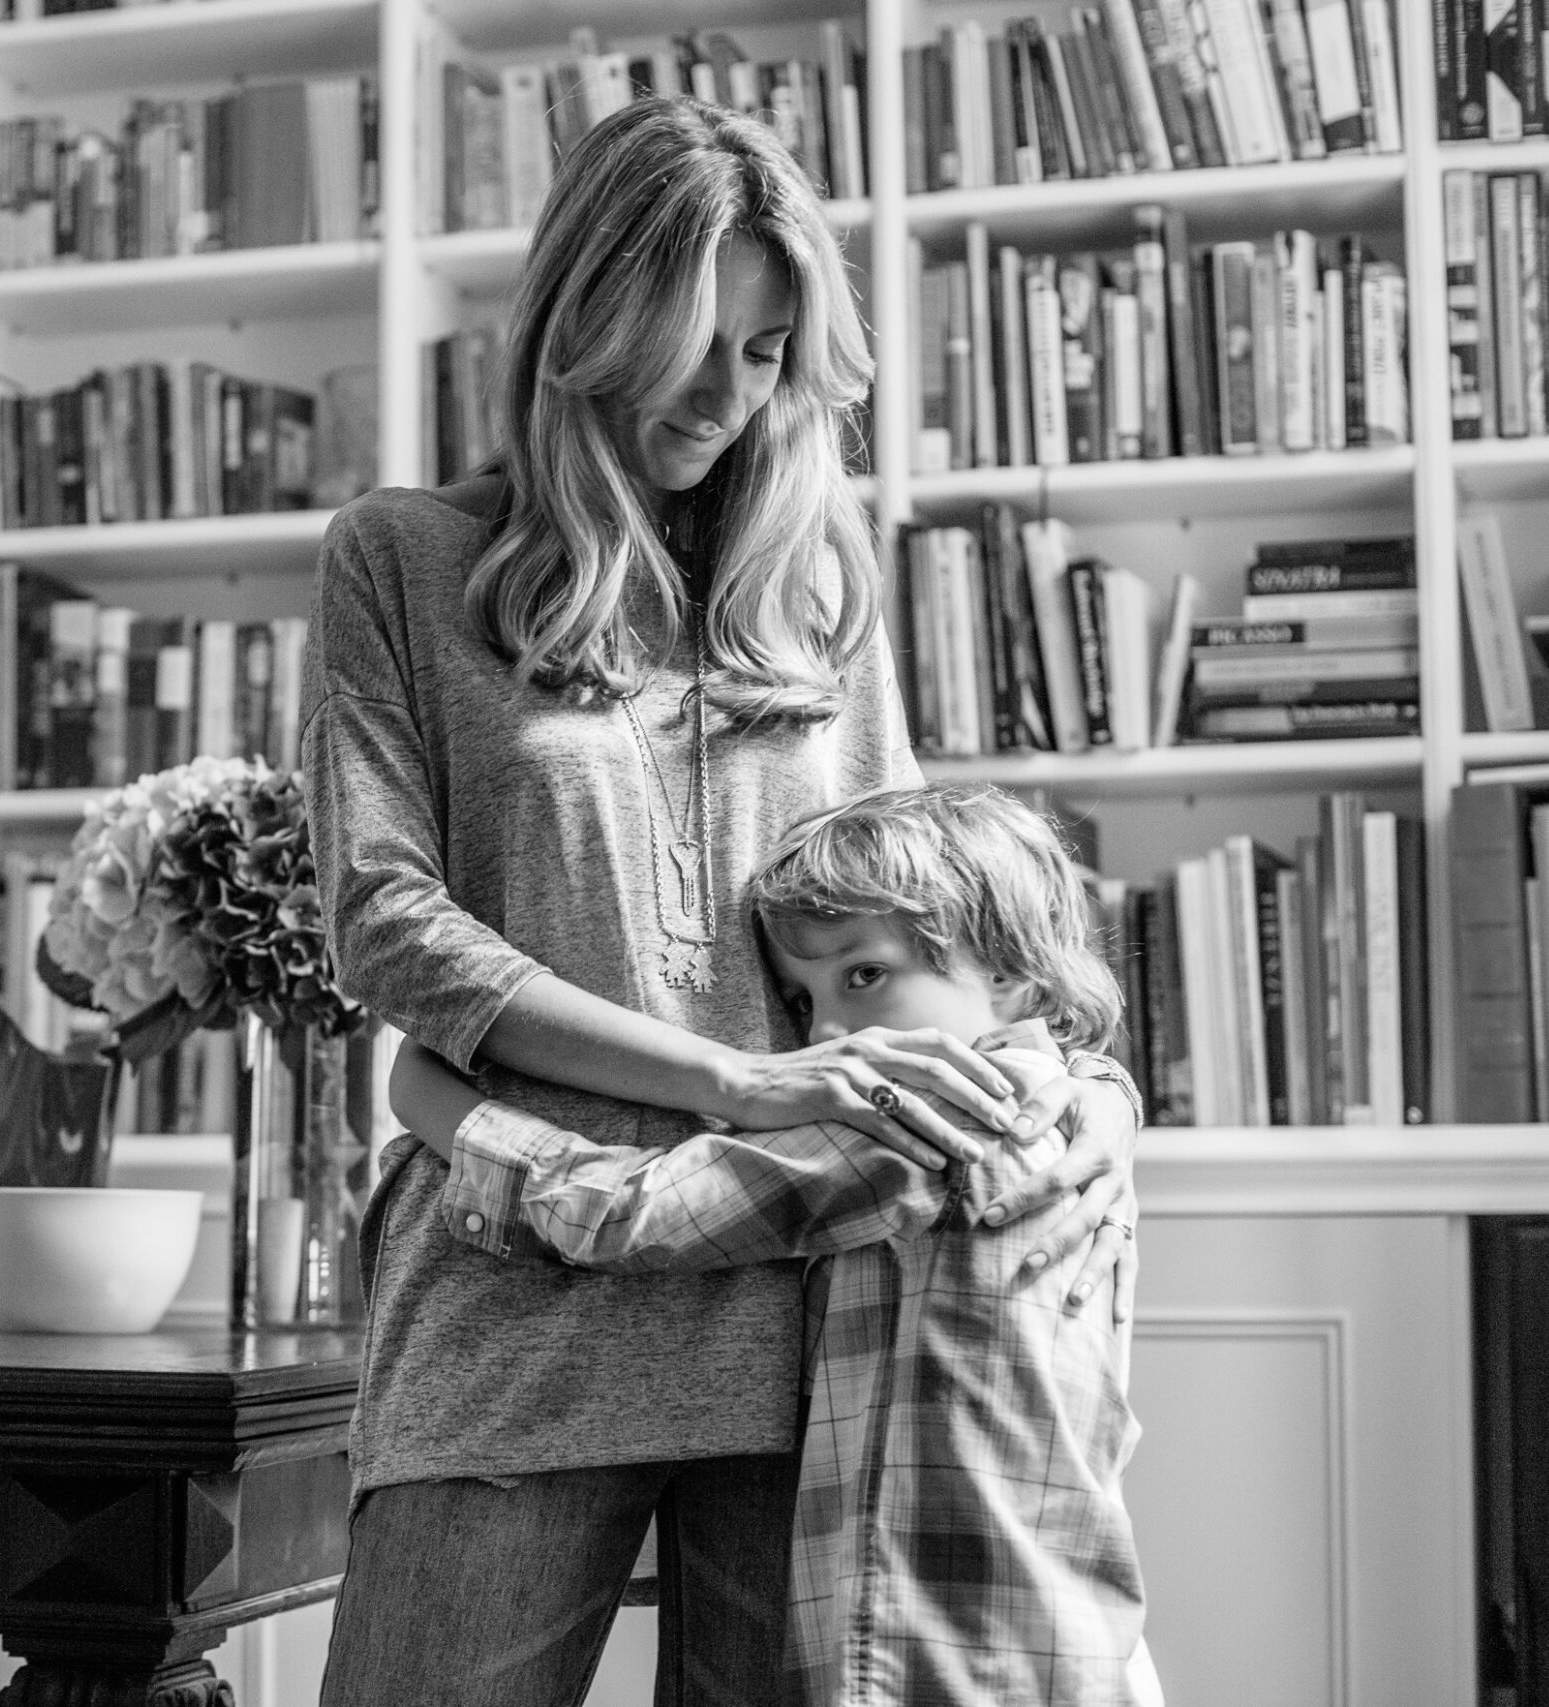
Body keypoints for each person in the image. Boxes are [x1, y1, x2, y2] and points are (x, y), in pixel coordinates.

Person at [303, 96, 1139, 1703]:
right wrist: (732, 1080)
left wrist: (1063, 1099)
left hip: (809, 1322)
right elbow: (385, 920)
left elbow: (924, 900)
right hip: (509, 1315)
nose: (727, 395)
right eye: (693, 343)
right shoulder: (400, 559)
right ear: (585, 316)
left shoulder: (817, 578)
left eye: (765, 352)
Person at [394, 784, 1161, 1707]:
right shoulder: (1061, 1112)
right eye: (803, 999)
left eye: (863, 975)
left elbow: (626, 1212)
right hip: (1067, 1644)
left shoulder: (923, 1125)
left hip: (933, 1657)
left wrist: (437, 1104)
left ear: (1010, 969)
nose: (827, 1033)